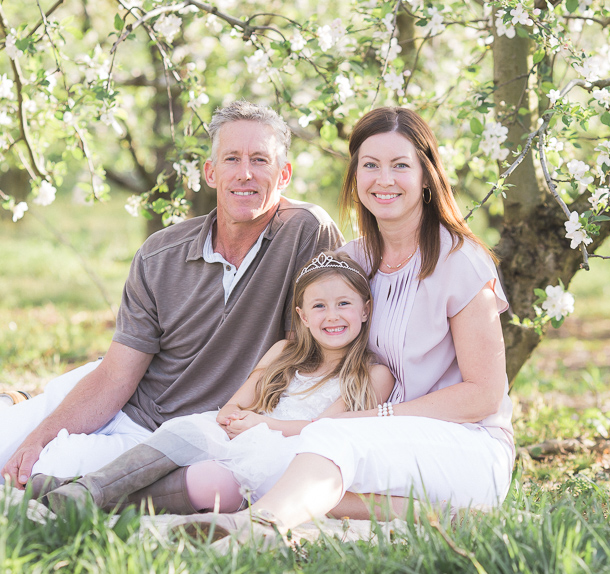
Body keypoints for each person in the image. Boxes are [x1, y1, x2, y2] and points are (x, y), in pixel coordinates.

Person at [0, 101, 344, 496]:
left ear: (284, 174)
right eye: (232, 159)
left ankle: (21, 424)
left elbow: (300, 350)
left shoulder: (305, 232)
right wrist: (36, 436)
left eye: (260, 160)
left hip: (180, 435)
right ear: (211, 172)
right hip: (122, 402)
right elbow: (115, 376)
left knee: (39, 476)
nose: (245, 174)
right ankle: (6, 407)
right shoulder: (160, 253)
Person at [174, 106, 516, 540]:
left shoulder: (459, 262)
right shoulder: (351, 264)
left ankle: (255, 529)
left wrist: (378, 417)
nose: (384, 179)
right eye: (370, 165)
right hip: (380, 440)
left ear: (427, 177)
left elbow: (484, 395)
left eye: (400, 165)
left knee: (329, 443)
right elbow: (307, 350)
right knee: (282, 458)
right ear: (355, 177)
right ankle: (430, 513)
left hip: (465, 445)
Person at [29, 251, 395, 514]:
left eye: (344, 303)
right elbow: (237, 403)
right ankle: (88, 488)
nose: (332, 316)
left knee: (215, 483)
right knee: (191, 430)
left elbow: (324, 429)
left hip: (290, 456)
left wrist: (262, 424)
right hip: (246, 432)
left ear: (365, 309)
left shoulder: (371, 374)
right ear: (301, 315)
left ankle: (79, 494)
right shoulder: (284, 351)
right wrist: (234, 417)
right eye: (319, 307)